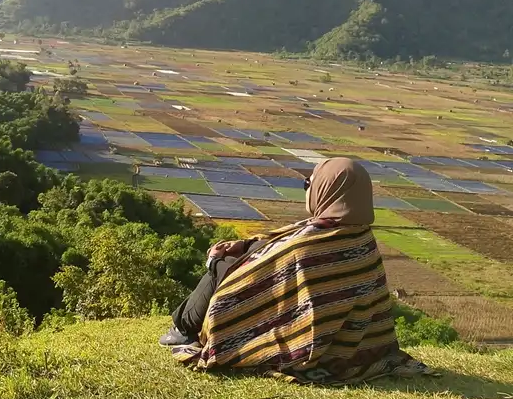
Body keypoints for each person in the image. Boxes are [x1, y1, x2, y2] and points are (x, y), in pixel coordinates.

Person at [161, 157, 435, 385]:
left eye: (309, 184)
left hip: (305, 341)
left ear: (327, 191)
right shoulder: (359, 236)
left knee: (224, 266)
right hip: (351, 345)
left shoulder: (310, 243)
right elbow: (276, 245)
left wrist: (220, 260)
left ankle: (183, 327)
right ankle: (184, 323)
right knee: (234, 257)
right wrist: (246, 244)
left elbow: (257, 271)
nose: (307, 190)